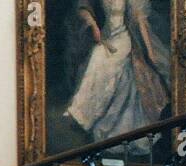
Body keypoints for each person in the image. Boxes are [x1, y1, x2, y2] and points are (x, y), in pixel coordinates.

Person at [65, 0, 171, 154]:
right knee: (97, 57)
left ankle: (115, 125)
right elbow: (83, 8)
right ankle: (87, 115)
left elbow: (140, 21)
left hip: (123, 40)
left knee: (115, 66)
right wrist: (94, 25)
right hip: (108, 38)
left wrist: (150, 51)